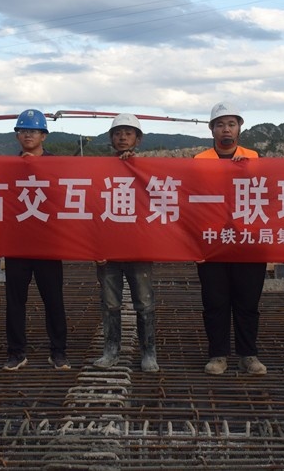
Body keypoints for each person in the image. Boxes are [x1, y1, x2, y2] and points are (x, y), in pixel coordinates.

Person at [195, 101, 267, 376]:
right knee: (215, 302)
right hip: (212, 242)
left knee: (248, 303)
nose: (226, 129)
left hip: (247, 241)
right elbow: (191, 201)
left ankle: (248, 355)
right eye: (220, 124)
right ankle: (218, 355)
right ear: (212, 129)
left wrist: (245, 170)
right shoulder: (200, 161)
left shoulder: (254, 158)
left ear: (239, 128)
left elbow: (267, 193)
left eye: (231, 124)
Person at [2, 109, 70, 371]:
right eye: (23, 130)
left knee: (53, 299)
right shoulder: (9, 167)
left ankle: (58, 351)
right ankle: (16, 352)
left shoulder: (56, 166)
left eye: (33, 131)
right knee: (15, 301)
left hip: (47, 244)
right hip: (17, 244)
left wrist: (37, 168)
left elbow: (63, 198)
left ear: (44, 135)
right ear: (17, 136)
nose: (27, 135)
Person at [92, 113, 159, 373]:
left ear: (138, 140)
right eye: (118, 133)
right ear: (111, 138)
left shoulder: (147, 170)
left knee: (144, 303)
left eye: (128, 133)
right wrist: (94, 247)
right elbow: (92, 208)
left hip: (138, 249)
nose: (122, 137)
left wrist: (135, 165)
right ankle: (111, 350)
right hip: (108, 249)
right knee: (110, 303)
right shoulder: (99, 171)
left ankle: (148, 352)